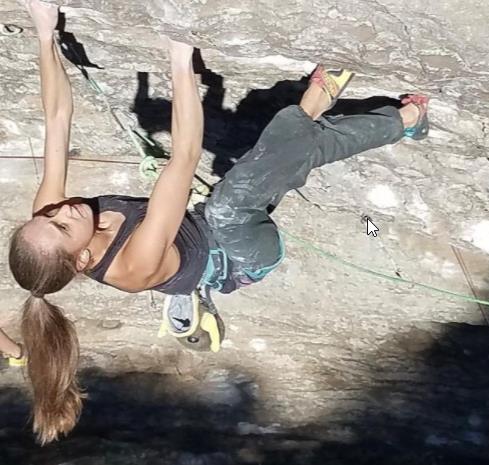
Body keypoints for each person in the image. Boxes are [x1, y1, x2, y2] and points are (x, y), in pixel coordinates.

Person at [9, 0, 429, 445]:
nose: (62, 210)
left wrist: (44, 32)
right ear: (81, 260)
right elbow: (184, 158)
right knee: (236, 198)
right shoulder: (131, 266)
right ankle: (403, 120)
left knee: (282, 158)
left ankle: (313, 115)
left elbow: (56, 119)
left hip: (192, 234)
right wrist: (178, 56)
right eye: (60, 225)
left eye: (48, 213)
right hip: (240, 256)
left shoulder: (53, 219)